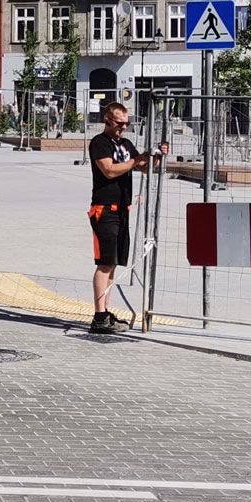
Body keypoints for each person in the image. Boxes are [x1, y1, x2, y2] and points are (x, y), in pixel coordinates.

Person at [87, 103, 167, 334]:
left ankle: (105, 311)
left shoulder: (125, 144)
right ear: (107, 120)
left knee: (112, 263)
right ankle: (99, 316)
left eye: (126, 123)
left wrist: (157, 156)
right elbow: (109, 170)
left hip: (122, 209)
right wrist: (135, 161)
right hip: (104, 209)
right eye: (119, 123)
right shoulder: (99, 143)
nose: (123, 127)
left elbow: (144, 167)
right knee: (105, 263)